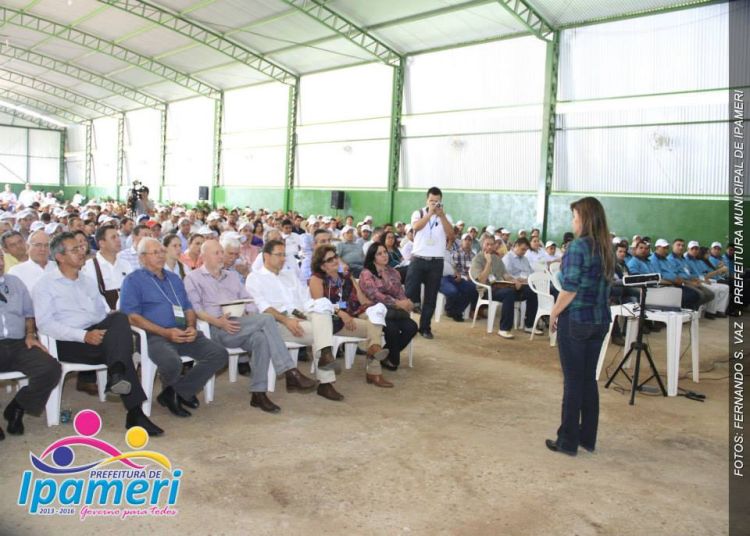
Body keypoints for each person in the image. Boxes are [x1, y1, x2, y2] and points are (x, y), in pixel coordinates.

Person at [33, 232, 163, 435]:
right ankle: (132, 408)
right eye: (74, 249)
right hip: (69, 342)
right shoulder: (45, 284)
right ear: (59, 257)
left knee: (119, 318)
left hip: (96, 335)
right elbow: (45, 325)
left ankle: (118, 375)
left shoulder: (86, 280)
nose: (81, 251)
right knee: (120, 350)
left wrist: (103, 327)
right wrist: (83, 335)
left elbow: (99, 314)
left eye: (80, 247)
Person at [185, 240, 317, 413]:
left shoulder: (231, 276)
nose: (221, 256)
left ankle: (258, 394)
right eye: (216, 253)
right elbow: (196, 310)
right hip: (216, 327)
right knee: (267, 319)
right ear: (203, 257)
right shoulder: (193, 278)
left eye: (221, 252)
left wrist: (249, 314)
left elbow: (249, 301)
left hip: (240, 323)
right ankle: (290, 371)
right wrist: (219, 322)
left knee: (260, 338)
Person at [120, 238, 228, 419]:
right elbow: (132, 317)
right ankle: (177, 393)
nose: (161, 255)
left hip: (183, 331)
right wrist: (165, 332)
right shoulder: (133, 281)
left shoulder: (174, 278)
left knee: (219, 354)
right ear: (142, 257)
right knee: (172, 362)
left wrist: (192, 327)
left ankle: (176, 392)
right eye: (155, 252)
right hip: (153, 336)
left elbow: (188, 308)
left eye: (162, 251)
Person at [547, 197, 613, 456]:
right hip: (600, 321)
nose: (573, 222)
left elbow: (570, 288)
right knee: (588, 380)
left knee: (573, 382)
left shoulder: (578, 247)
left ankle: (567, 441)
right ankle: (587, 438)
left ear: (584, 218)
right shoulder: (607, 246)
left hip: (576, 321)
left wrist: (554, 312)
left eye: (574, 217)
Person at [246, 239, 344, 401]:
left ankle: (326, 356)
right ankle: (326, 380)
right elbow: (263, 308)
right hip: (277, 323)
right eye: (279, 255)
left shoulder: (289, 275)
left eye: (284, 254)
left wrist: (320, 306)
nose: (283, 258)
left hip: (302, 316)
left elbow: (306, 300)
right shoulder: (255, 278)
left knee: (322, 312)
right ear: (266, 256)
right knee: (322, 333)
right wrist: (286, 320)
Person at [309, 245, 393, 388]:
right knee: (375, 328)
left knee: (376, 314)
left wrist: (374, 307)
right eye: (330, 260)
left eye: (335, 257)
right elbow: (320, 306)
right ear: (322, 266)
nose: (335, 261)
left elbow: (361, 299)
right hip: (335, 320)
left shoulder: (346, 277)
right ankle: (374, 369)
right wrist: (341, 314)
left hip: (354, 313)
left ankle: (374, 349)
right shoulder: (316, 280)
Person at [0, 250, 61, 439]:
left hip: (19, 342)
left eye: (0, 258)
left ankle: (18, 406)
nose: (0, 263)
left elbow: (28, 313)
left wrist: (29, 334)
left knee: (50, 368)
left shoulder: (15, 283)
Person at [405, 186, 455, 339]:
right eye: (432, 201)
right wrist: (430, 214)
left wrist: (441, 216)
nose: (435, 204)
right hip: (418, 259)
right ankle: (405, 325)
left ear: (441, 201)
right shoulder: (418, 213)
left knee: (431, 296)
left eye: (437, 201)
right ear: (427, 200)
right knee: (409, 292)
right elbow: (416, 227)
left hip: (436, 262)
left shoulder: (446, 216)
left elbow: (451, 234)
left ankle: (425, 327)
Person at [359, 243, 418, 371]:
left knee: (412, 327)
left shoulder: (393, 272)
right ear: (373, 257)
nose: (384, 255)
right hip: (376, 310)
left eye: (385, 252)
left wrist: (406, 302)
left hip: (394, 310)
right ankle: (392, 360)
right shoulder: (367, 273)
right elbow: (374, 294)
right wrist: (397, 303)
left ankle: (386, 354)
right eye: (379, 253)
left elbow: (399, 292)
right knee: (392, 329)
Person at [81, 225, 131, 311]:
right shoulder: (89, 267)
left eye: (118, 236)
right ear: (102, 243)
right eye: (113, 237)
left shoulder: (126, 264)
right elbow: (90, 296)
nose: (118, 240)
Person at [440, 233, 478, 322]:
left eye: (470, 240)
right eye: (466, 240)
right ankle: (450, 309)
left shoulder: (473, 255)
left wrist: (460, 274)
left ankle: (457, 311)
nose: (468, 242)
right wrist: (458, 274)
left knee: (472, 288)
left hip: (457, 277)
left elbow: (454, 266)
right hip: (444, 277)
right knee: (453, 291)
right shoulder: (452, 253)